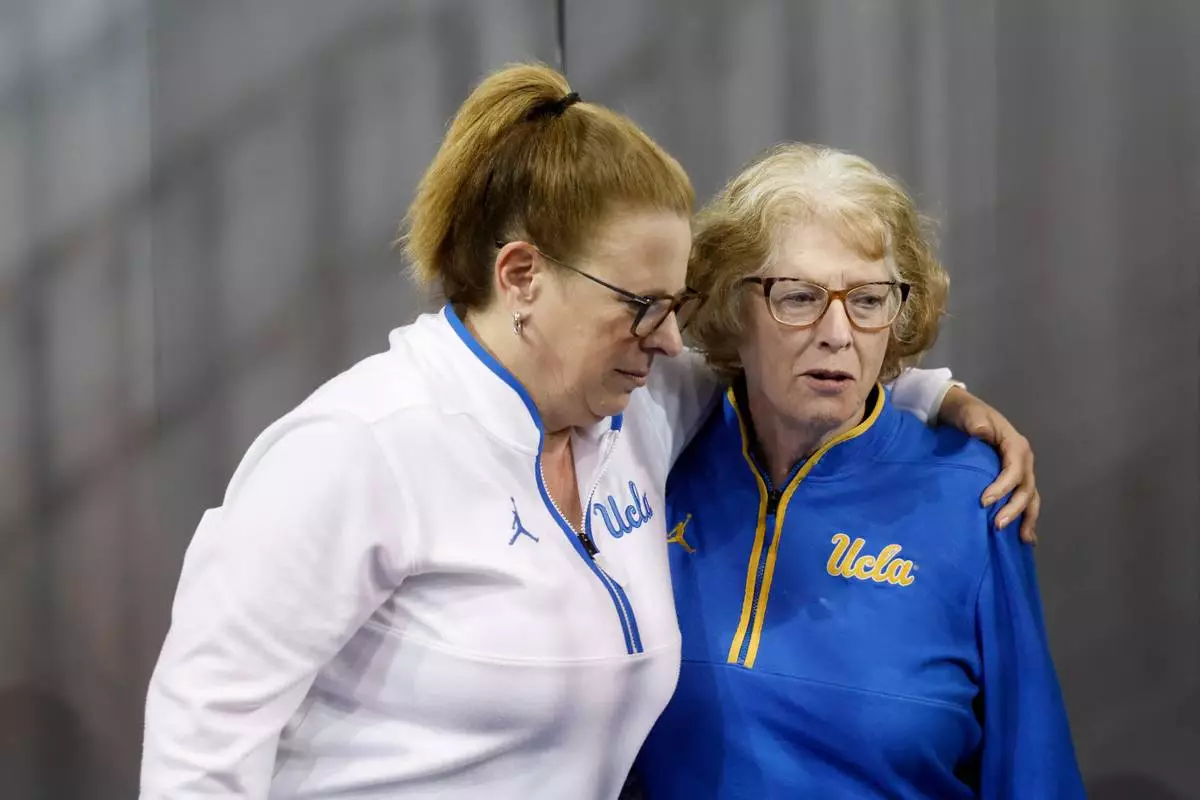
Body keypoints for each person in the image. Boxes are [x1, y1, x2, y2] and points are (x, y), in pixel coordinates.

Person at [140, 65, 1038, 799]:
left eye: (675, 305)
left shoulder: (637, 406)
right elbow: (200, 750)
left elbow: (789, 361)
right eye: (642, 306)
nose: (670, 339)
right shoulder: (358, 447)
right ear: (522, 276)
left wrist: (936, 397)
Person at [634, 143, 1083, 798]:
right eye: (799, 298)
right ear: (732, 307)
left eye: (869, 301)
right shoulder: (657, 457)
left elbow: (1032, 770)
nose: (839, 334)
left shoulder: (974, 492)